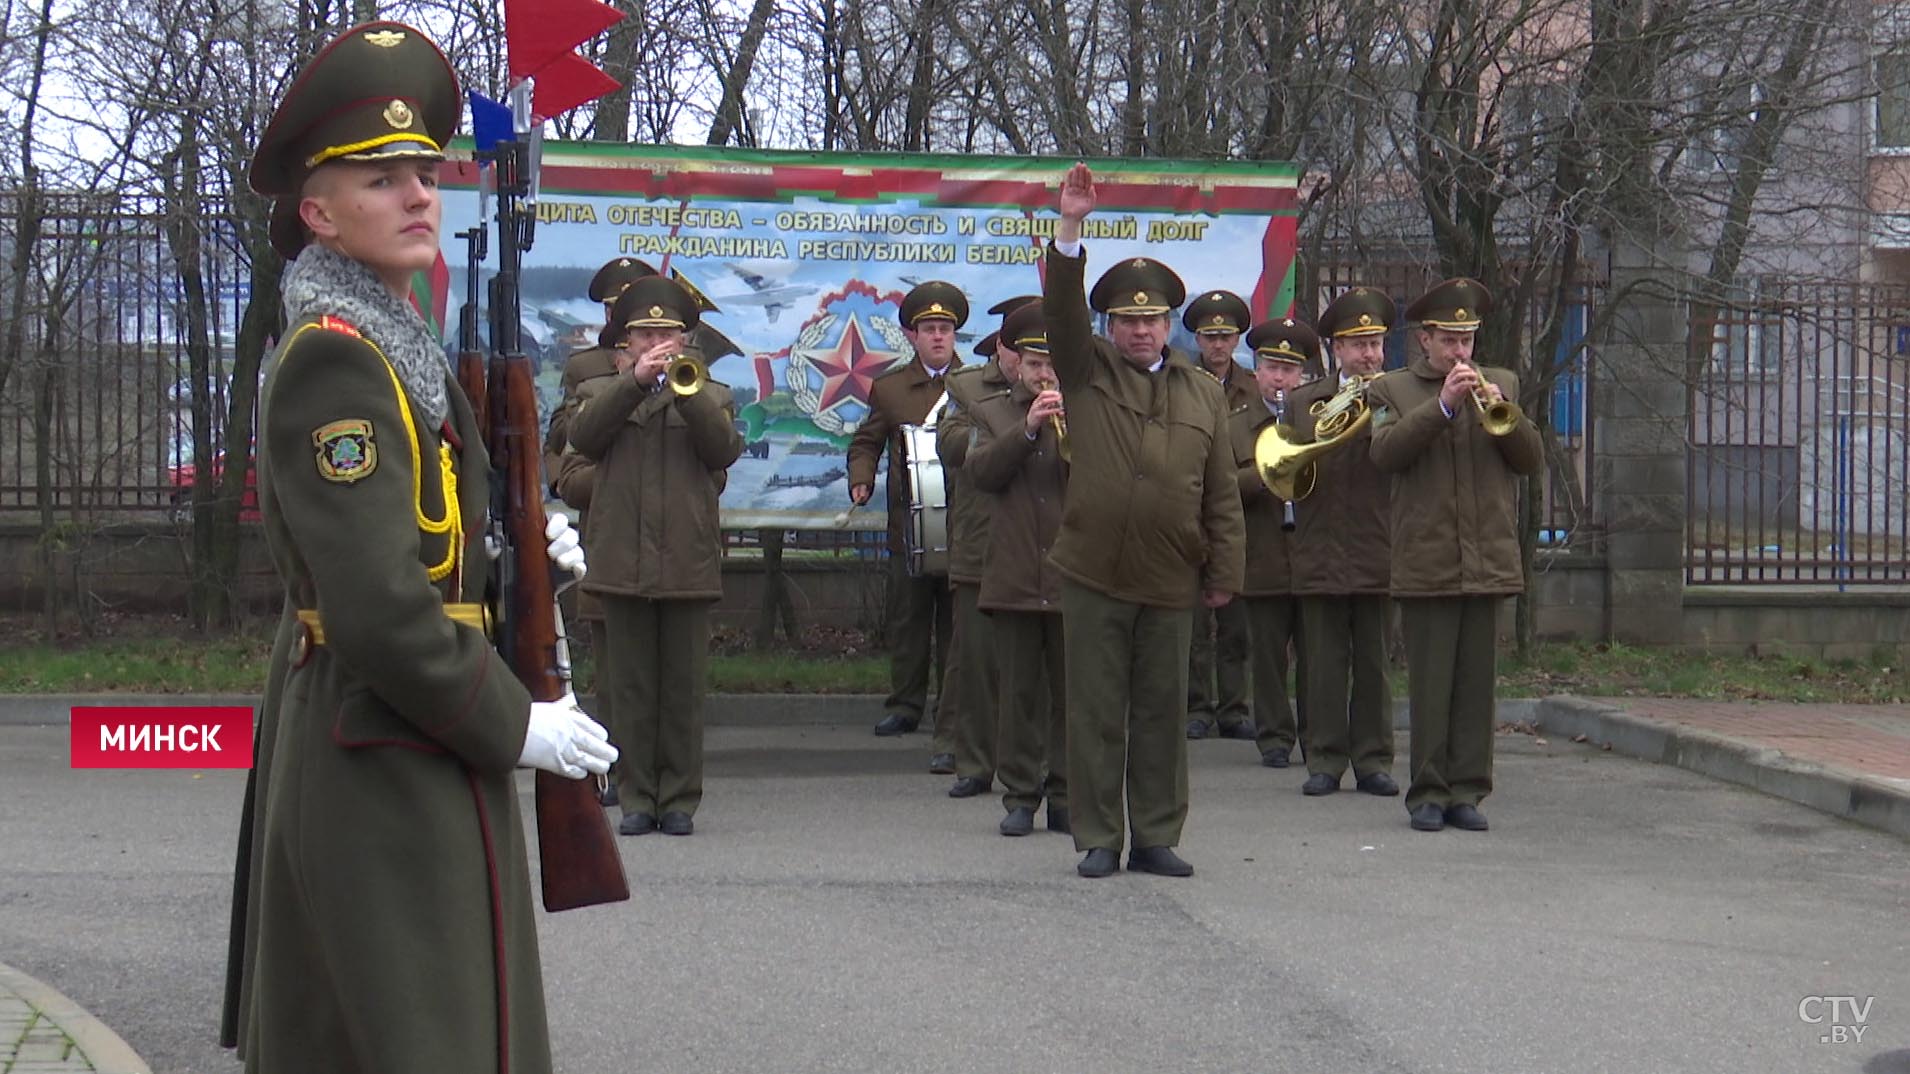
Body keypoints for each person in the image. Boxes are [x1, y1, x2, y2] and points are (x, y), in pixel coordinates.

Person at [221, 22, 613, 1074]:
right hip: (382, 744)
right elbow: (377, 608)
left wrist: (519, 554)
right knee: (410, 1033)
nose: (417, 196)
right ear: (318, 214)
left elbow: (427, 545)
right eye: (381, 178)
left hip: (412, 737)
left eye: (425, 175)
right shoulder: (335, 365)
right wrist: (511, 724)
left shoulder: (395, 345)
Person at [1045, 163, 1245, 878]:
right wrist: (1071, 226)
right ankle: (1099, 837)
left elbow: (1220, 487)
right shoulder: (1086, 368)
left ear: (1168, 325)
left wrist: (1224, 569)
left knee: (1161, 712)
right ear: (1110, 325)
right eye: (1127, 319)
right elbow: (1062, 311)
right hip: (1094, 570)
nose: (1139, 330)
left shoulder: (1202, 392)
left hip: (1169, 574)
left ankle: (1157, 835)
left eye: (1151, 319)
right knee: (1096, 710)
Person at [567, 276, 744, 836]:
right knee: (630, 686)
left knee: (682, 690)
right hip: (621, 559)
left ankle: (680, 800)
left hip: (687, 559)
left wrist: (683, 394)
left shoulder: (710, 394)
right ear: (627, 342)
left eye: (667, 334)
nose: (657, 344)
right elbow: (586, 441)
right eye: (645, 335)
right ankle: (636, 793)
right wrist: (634, 386)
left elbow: (723, 451)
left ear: (686, 339)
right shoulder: (599, 394)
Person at [1366, 277, 1543, 832]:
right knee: (1431, 684)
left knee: (1475, 687)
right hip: (1428, 560)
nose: (1461, 352)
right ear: (1425, 339)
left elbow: (1530, 459)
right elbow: (1384, 453)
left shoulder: (1503, 382)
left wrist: (1503, 414)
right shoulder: (1391, 390)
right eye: (1449, 340)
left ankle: (1468, 790)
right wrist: (1441, 408)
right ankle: (1427, 791)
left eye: (1467, 340)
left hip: (1486, 559)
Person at [546, 256, 655, 807]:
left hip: (665, 529)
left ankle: (663, 768)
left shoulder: (685, 362)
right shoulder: (585, 368)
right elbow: (567, 440)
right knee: (612, 659)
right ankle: (614, 762)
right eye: (619, 305)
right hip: (607, 527)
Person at [1288, 287, 1401, 798]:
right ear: (1336, 349)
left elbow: (1397, 457)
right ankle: (1325, 759)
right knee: (1324, 662)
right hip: (1321, 544)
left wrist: (1376, 409)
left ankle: (1374, 760)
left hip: (1379, 544)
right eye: (1358, 345)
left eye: (1376, 342)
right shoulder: (1303, 401)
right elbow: (1286, 471)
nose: (1369, 354)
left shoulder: (1397, 395)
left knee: (1375, 663)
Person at [963, 303, 1071, 836]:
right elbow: (981, 471)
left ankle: (1068, 794)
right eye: (1034, 363)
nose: (1044, 374)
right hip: (1013, 572)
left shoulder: (1090, 410)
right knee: (1020, 695)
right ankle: (1021, 796)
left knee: (1073, 695)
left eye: (1053, 364)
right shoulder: (993, 412)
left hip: (1074, 575)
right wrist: (1027, 429)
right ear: (1016, 364)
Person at [846, 282, 968, 743]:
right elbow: (867, 441)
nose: (938, 337)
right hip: (909, 527)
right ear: (913, 336)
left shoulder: (975, 386)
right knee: (909, 620)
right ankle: (905, 704)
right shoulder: (891, 388)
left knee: (957, 624)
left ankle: (954, 708)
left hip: (961, 525)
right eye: (929, 329)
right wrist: (862, 476)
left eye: (945, 329)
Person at [935, 294, 1035, 795]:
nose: (1027, 360)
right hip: (982, 543)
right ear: (1001, 347)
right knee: (976, 664)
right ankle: (973, 763)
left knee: (1038, 668)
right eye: (1020, 349)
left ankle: (1035, 766)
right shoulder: (966, 385)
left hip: (1042, 549)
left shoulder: (1064, 389)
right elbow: (951, 444)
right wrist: (1015, 435)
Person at [1231, 317, 1313, 770]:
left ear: (1301, 375)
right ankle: (1274, 737)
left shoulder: (1315, 418)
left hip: (1311, 553)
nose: (1280, 378)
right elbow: (1222, 487)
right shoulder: (1236, 426)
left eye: (1289, 369)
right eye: (1271, 367)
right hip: (1261, 552)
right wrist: (1268, 474)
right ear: (1256, 370)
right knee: (1266, 655)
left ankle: (1317, 736)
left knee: (1317, 655)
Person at [1180, 289, 1256, 741]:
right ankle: (1196, 706)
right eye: (1210, 336)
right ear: (1198, 339)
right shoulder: (1183, 383)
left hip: (1238, 517)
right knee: (1191, 623)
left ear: (1236, 339)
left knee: (1236, 624)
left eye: (1226, 336)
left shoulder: (1251, 388)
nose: (1218, 345)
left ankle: (1234, 706)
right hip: (1189, 516)